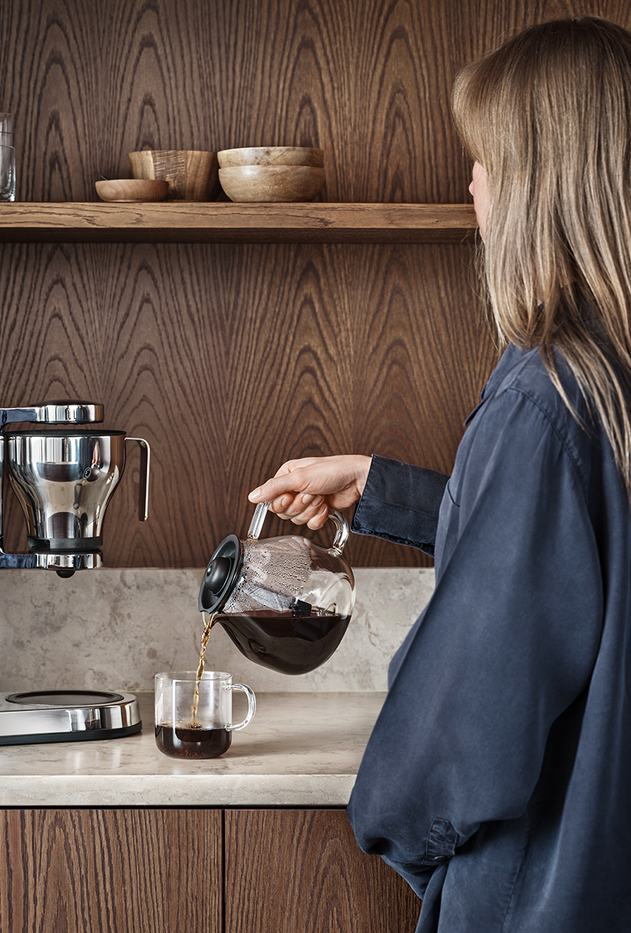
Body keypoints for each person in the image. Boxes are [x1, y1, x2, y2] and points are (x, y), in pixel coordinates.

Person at [248, 16, 631, 933]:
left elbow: (465, 727)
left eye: (486, 160)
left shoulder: (546, 394)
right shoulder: (608, 381)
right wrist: (385, 487)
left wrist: (394, 829)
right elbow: (583, 548)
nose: (470, 181)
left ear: (541, 186)